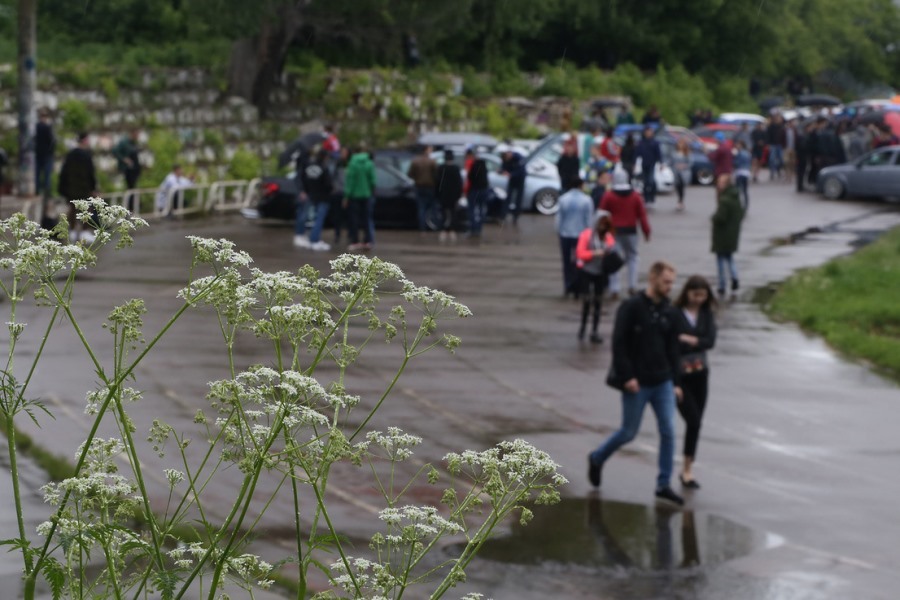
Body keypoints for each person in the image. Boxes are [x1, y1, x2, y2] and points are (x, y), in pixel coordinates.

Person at [588, 260, 684, 507]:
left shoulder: (670, 311)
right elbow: (619, 343)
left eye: (672, 282)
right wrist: (627, 376)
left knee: (668, 430)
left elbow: (674, 349)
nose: (670, 287)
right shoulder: (632, 307)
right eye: (666, 282)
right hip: (638, 383)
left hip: (663, 381)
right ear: (652, 278)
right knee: (628, 432)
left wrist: (676, 381)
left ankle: (663, 483)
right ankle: (597, 457)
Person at [673, 275, 718, 490]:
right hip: (680, 376)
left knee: (697, 422)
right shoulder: (675, 313)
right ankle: (684, 468)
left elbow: (710, 341)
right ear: (687, 293)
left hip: (701, 374)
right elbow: (672, 341)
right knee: (692, 419)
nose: (699, 299)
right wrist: (696, 341)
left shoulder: (707, 314)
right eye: (695, 295)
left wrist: (689, 339)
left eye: (703, 295)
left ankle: (687, 469)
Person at [600, 166, 651, 299]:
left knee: (613, 259)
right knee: (632, 257)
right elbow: (642, 215)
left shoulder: (609, 196)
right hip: (631, 231)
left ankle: (614, 288)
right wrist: (646, 231)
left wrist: (600, 232)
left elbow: (601, 214)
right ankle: (632, 285)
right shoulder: (635, 196)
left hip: (613, 232)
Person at [574, 209, 616, 342]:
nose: (603, 227)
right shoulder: (587, 235)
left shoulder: (608, 236)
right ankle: (582, 328)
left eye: (605, 224)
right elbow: (580, 253)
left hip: (601, 273)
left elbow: (613, 249)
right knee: (586, 300)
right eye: (601, 224)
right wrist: (594, 253)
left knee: (598, 301)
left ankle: (594, 331)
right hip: (587, 271)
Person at [555, 176, 594, 298]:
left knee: (566, 261)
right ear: (581, 185)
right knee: (580, 261)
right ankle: (579, 286)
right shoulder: (587, 200)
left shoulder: (563, 199)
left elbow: (558, 219)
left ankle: (568, 285)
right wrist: (590, 235)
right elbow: (589, 220)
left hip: (565, 234)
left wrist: (559, 232)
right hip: (580, 235)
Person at [57, 132, 97, 242]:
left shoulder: (70, 155)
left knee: (73, 208)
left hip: (71, 187)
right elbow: (90, 173)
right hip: (84, 187)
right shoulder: (86, 155)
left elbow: (64, 172)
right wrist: (93, 188)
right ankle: (84, 231)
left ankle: (72, 231)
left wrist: (62, 188)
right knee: (86, 209)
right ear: (85, 141)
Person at [711, 173, 744, 296]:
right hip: (732, 234)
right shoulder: (735, 198)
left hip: (722, 235)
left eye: (721, 183)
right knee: (730, 258)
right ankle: (734, 277)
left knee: (720, 260)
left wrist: (713, 218)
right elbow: (741, 213)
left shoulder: (724, 200)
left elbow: (720, 217)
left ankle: (722, 284)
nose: (718, 185)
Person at [296, 148, 333, 251]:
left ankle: (302, 235)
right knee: (319, 219)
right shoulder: (324, 168)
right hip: (322, 196)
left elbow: (303, 178)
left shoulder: (309, 166)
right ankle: (314, 240)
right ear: (325, 157)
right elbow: (328, 184)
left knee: (306, 215)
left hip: (311, 194)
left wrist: (304, 190)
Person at [344, 144, 377, 251]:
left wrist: (346, 196)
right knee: (366, 218)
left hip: (354, 195)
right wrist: (371, 191)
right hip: (366, 194)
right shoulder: (369, 163)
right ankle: (367, 241)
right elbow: (373, 180)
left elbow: (350, 181)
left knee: (354, 219)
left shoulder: (352, 163)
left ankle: (355, 241)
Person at [407, 145, 437, 234]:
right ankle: (433, 225)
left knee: (421, 207)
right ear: (426, 150)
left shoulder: (415, 161)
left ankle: (422, 228)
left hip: (419, 186)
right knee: (432, 207)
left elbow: (410, 174)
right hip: (430, 187)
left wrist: (417, 178)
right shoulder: (432, 162)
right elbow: (436, 174)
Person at [434, 149, 464, 242]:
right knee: (453, 212)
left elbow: (437, 182)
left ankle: (443, 229)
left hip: (443, 194)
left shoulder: (441, 168)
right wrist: (459, 194)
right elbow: (459, 183)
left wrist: (437, 194)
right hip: (453, 195)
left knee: (443, 212)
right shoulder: (456, 168)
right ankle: (452, 229)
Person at [112, 129, 142, 210]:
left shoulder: (133, 143)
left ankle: (133, 207)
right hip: (128, 170)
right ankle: (129, 207)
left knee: (133, 188)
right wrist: (124, 159)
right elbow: (115, 151)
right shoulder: (124, 142)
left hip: (134, 170)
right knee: (130, 188)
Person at [466, 152, 490, 238]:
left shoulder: (474, 165)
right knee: (481, 209)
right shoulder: (484, 166)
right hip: (483, 190)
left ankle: (473, 228)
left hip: (475, 190)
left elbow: (470, 177)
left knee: (472, 210)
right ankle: (479, 228)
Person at [500, 146, 526, 225]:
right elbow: (504, 167)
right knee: (508, 197)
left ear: (510, 153)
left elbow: (521, 171)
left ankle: (516, 216)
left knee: (518, 199)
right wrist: (502, 171)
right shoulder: (505, 158)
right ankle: (503, 215)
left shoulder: (519, 157)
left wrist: (511, 174)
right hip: (512, 180)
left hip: (520, 180)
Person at [635, 126, 661, 205]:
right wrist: (635, 162)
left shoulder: (655, 142)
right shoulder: (641, 142)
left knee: (651, 181)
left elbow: (658, 154)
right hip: (644, 164)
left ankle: (652, 198)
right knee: (645, 182)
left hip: (652, 164)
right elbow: (637, 153)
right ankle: (646, 198)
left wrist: (661, 162)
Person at [330, 147, 350, 245]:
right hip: (338, 193)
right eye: (342, 152)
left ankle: (350, 234)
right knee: (337, 215)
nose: (343, 154)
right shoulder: (337, 164)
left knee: (348, 215)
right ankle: (337, 234)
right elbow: (333, 177)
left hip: (347, 192)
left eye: (344, 152)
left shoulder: (350, 164)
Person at [34, 108, 56, 198]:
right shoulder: (47, 127)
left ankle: (38, 192)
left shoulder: (36, 127)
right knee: (46, 176)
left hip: (39, 154)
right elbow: (53, 141)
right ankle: (46, 194)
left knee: (38, 175)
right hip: (46, 155)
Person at [672, 138, 692, 211]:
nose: (680, 145)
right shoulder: (674, 153)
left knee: (682, 187)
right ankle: (679, 200)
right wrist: (675, 166)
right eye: (679, 143)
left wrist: (683, 166)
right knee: (677, 187)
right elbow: (671, 162)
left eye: (682, 143)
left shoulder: (687, 153)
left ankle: (680, 201)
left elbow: (690, 163)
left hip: (684, 173)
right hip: (676, 173)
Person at [733, 140, 751, 210]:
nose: (736, 146)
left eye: (738, 144)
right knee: (745, 190)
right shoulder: (747, 153)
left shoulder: (740, 153)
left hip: (740, 172)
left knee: (737, 190)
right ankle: (746, 205)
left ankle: (737, 205)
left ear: (741, 145)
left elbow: (737, 163)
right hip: (746, 173)